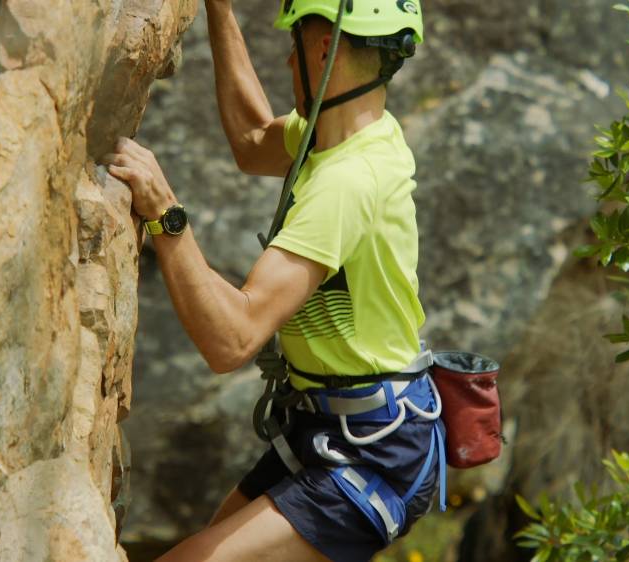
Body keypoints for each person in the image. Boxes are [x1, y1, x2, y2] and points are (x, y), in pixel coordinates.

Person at [103, 1, 442, 560]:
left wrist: (166, 213)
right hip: (334, 427)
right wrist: (219, 9)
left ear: (326, 47)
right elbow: (253, 137)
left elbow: (231, 339)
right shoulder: (346, 134)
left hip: (372, 455)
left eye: (297, 40)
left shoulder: (348, 182)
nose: (287, 58)